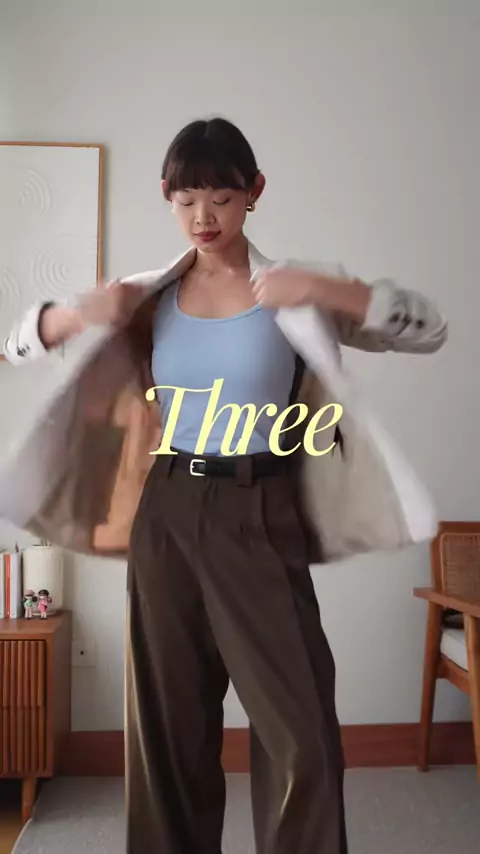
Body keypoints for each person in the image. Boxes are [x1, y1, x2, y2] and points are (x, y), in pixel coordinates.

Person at [2, 117, 447, 854]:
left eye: (222, 197)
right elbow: (16, 342)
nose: (203, 216)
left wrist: (329, 286)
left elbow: (428, 329)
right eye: (186, 200)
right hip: (168, 508)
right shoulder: (149, 294)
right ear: (166, 197)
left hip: (260, 506)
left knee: (303, 737)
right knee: (169, 733)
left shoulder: (293, 291)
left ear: (254, 192)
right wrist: (78, 313)